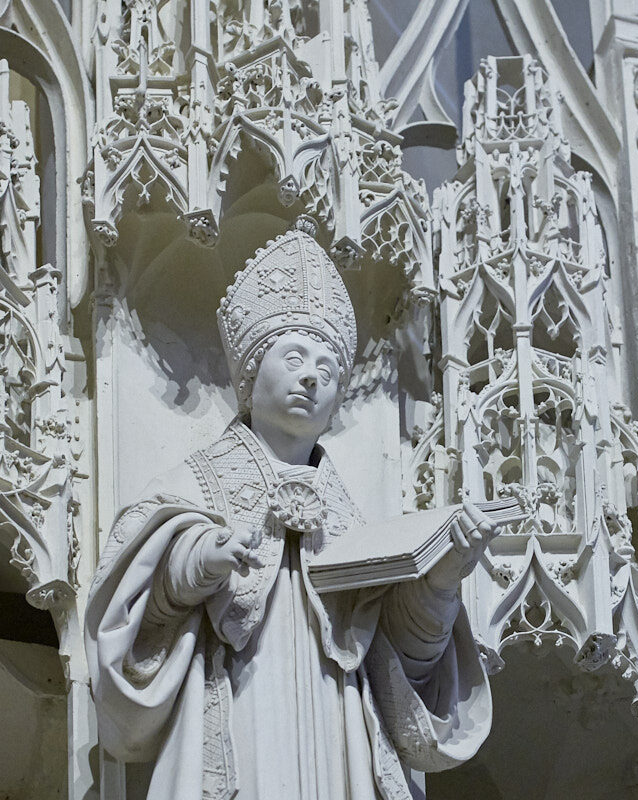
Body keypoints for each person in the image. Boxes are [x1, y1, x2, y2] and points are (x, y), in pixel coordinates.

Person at [85, 221, 494, 800]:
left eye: (328, 371)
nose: (311, 377)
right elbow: (134, 612)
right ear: (249, 375)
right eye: (294, 356)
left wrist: (439, 586)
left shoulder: (353, 521)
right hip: (241, 714)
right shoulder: (196, 486)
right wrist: (202, 559)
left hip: (338, 733)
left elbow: (403, 668)